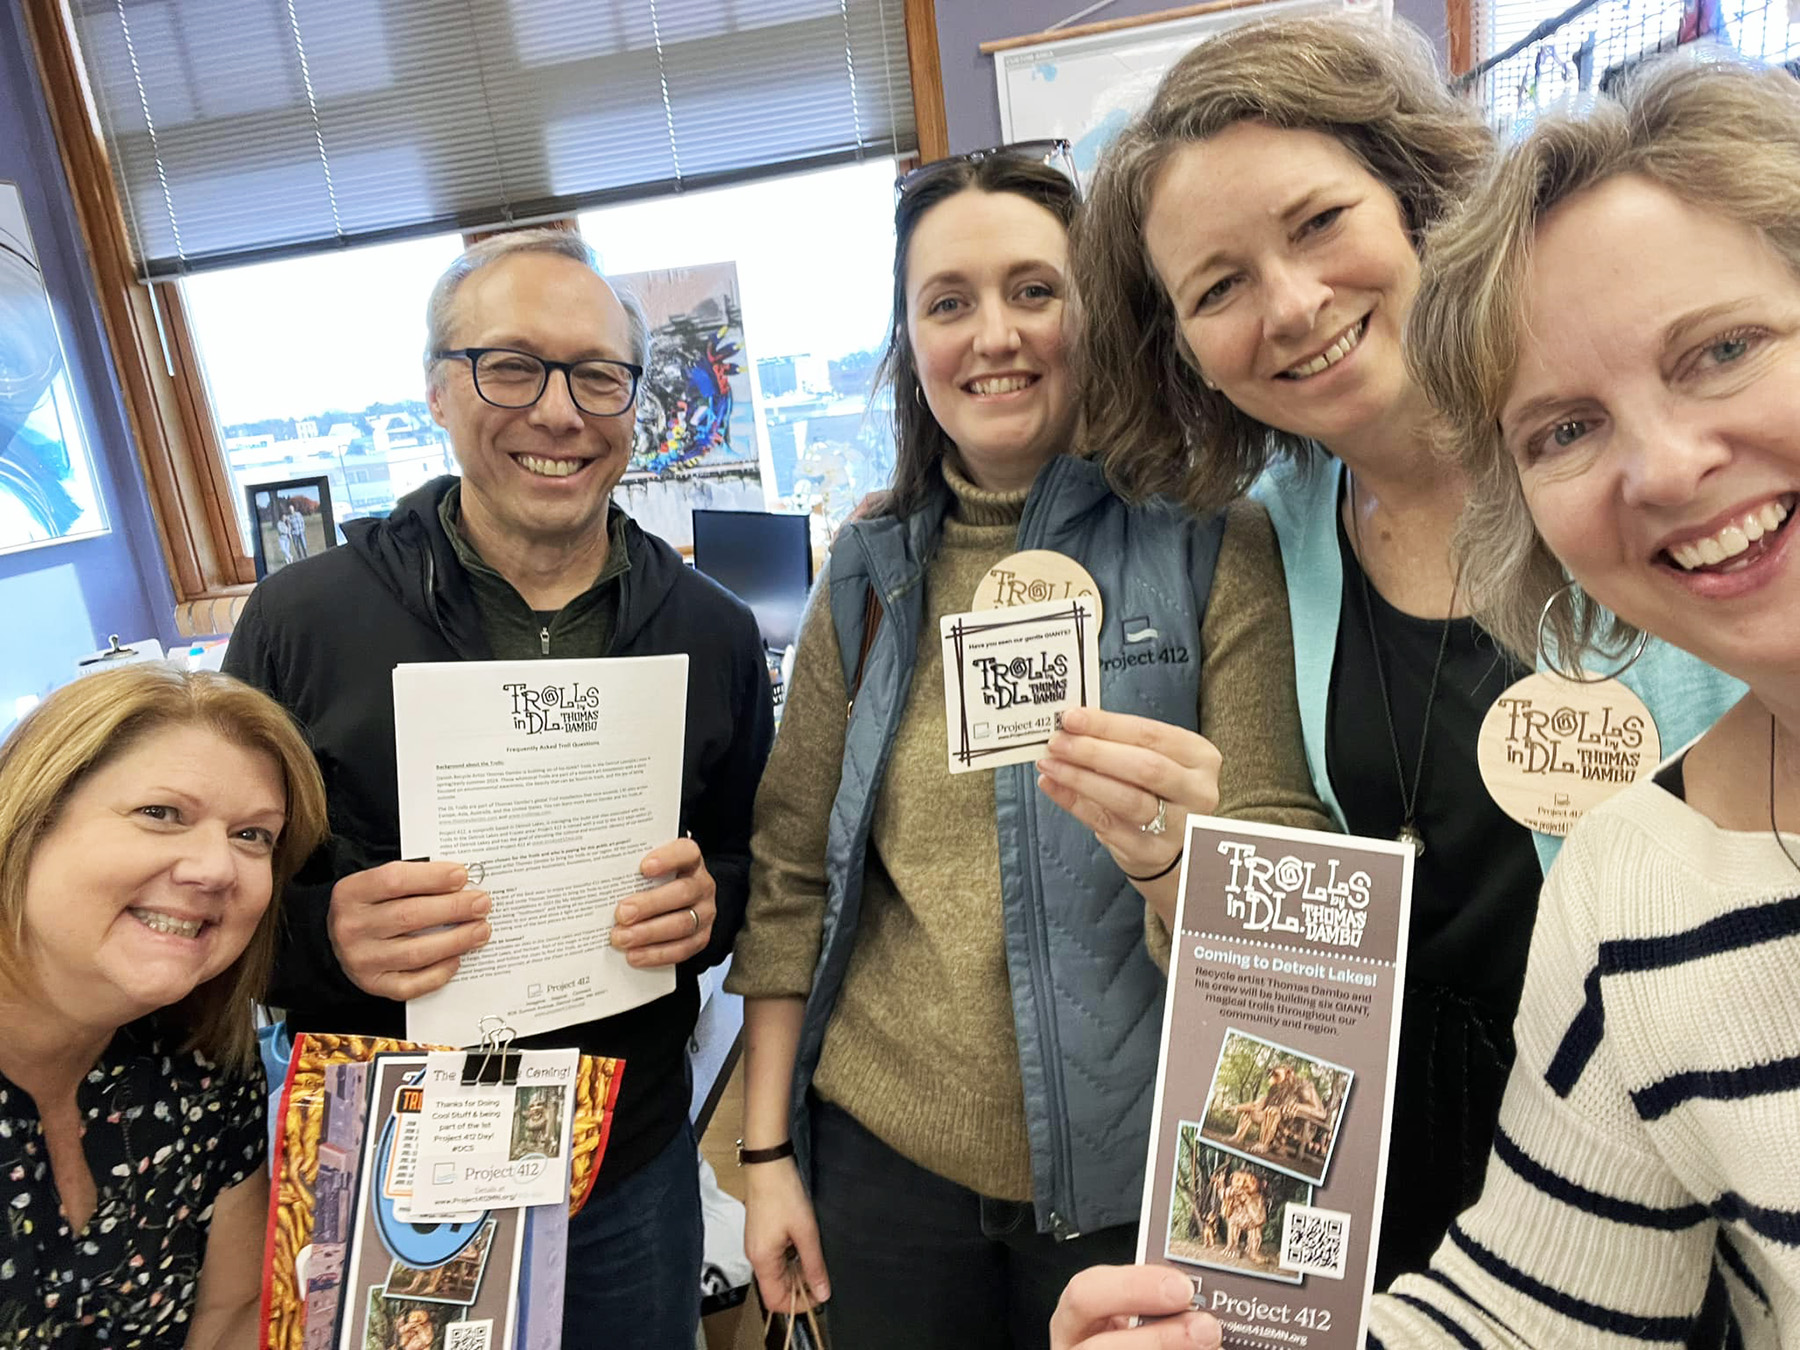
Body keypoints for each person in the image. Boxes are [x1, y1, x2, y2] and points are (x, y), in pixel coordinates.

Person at [1051, 52, 1800, 1350]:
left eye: (1319, 224)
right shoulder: (1266, 544)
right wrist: (1249, 1301)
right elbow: (1287, 946)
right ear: (1187, 350)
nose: (1289, 306)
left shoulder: (1652, 493)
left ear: (1414, 199)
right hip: (1454, 1164)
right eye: (1219, 287)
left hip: (1720, 1154)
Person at [727, 147, 1330, 1348]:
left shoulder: (1214, 539)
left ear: (1094, 315)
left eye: (1034, 291)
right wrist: (766, 1154)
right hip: (885, 1169)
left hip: (1139, 1176)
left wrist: (1178, 853)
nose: (992, 334)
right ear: (912, 345)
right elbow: (792, 876)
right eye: (948, 302)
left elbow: (1286, 861)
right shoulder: (868, 571)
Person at [222, 228, 775, 1348]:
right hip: (390, 1166)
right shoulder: (304, 622)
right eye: (511, 366)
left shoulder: (711, 632)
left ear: (631, 399)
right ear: (437, 387)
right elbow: (216, 909)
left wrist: (710, 904)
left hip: (627, 1156)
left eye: (597, 375)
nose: (560, 413)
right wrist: (323, 932)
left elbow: (752, 868)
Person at [0, 665, 328, 1346]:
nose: (214, 869)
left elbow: (229, 1317)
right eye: (161, 814)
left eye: (253, 836)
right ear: (32, 819)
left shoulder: (199, 1062)